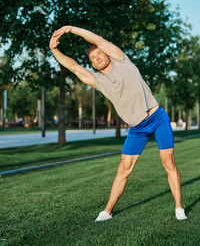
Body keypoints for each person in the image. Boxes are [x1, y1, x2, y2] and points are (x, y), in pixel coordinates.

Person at [49, 25, 187, 221]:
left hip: (157, 119)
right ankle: (107, 212)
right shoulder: (98, 80)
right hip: (137, 129)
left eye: (98, 54)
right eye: (93, 59)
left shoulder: (122, 60)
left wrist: (71, 29)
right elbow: (73, 67)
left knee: (169, 162)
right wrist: (54, 49)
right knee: (124, 169)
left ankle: (179, 209)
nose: (96, 59)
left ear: (105, 52)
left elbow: (97, 39)